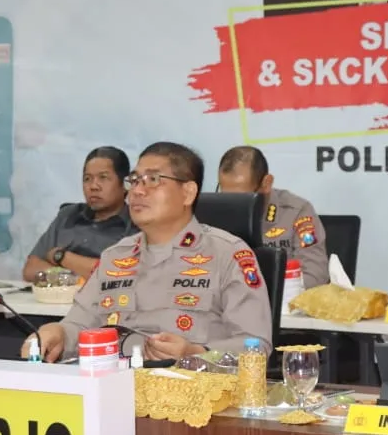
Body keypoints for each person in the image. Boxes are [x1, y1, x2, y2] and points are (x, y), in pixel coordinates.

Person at [22, 142, 272, 362]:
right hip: (115, 387)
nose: (137, 191)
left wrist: (196, 354)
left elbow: (256, 346)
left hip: (190, 392)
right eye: (135, 180)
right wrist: (58, 333)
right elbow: (79, 324)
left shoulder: (227, 254)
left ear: (187, 193)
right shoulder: (115, 257)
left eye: (153, 180)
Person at [217, 145, 330, 289]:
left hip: (280, 300)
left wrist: (267, 292)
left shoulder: (297, 212)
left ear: (266, 183)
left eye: (242, 197)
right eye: (225, 196)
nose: (233, 205)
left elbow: (315, 275)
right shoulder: (213, 212)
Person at [22, 147, 133, 283]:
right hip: (57, 295)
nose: (93, 186)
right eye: (87, 179)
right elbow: (31, 268)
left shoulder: (135, 224)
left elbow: (116, 274)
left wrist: (61, 257)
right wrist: (72, 278)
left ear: (125, 184)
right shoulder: (68, 215)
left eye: (103, 177)